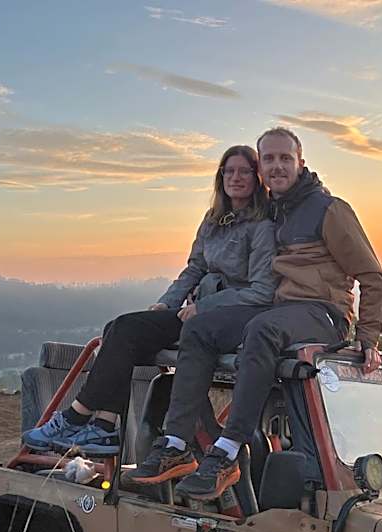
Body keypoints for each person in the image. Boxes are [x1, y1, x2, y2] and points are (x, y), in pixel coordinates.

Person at [134, 127, 382, 500]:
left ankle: (228, 450)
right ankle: (176, 443)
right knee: (200, 328)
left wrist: (368, 338)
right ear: (261, 168)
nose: (277, 166)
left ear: (301, 162)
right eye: (269, 159)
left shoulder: (329, 210)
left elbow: (372, 275)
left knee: (262, 329)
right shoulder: (271, 210)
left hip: (323, 312)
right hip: (277, 310)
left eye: (285, 158)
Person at [22, 145, 278, 460]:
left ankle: (77, 416)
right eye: (229, 171)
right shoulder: (213, 221)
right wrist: (166, 303)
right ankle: (104, 424)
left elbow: (260, 290)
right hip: (194, 311)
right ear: (220, 177)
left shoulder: (262, 227)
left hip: (225, 318)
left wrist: (205, 308)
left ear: (257, 178)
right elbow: (194, 269)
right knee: (118, 327)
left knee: (126, 330)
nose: (235, 178)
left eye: (244, 172)